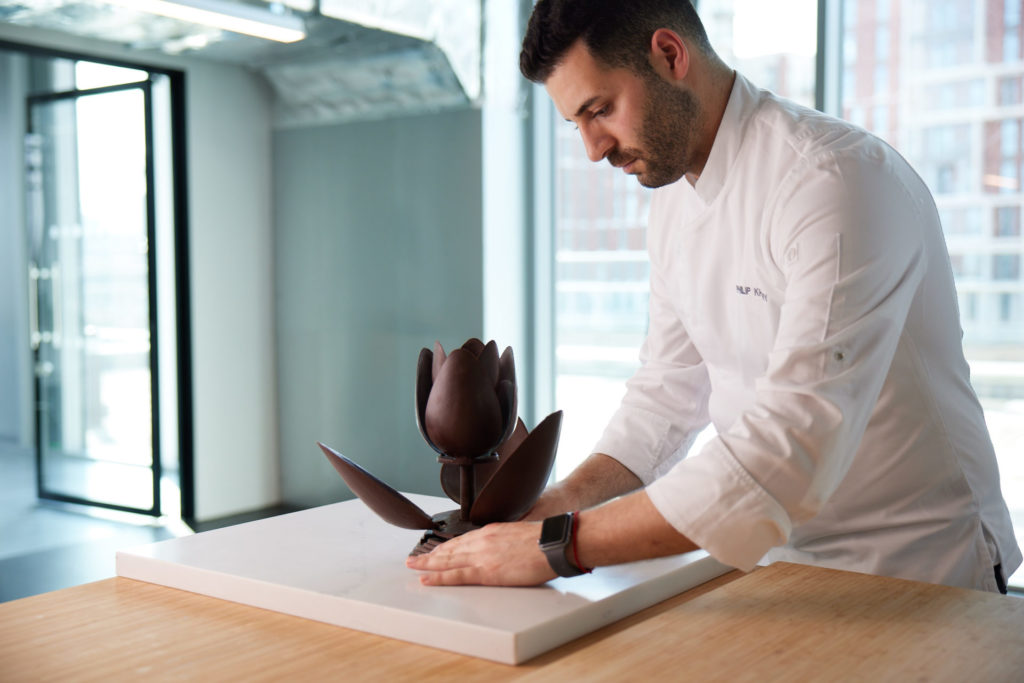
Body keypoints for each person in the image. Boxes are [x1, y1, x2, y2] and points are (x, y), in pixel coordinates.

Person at [406, 0, 1022, 593]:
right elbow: (667, 395)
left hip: (921, 570)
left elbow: (790, 448)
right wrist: (551, 506)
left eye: (601, 110)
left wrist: (557, 546)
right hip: (778, 571)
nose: (593, 149)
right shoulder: (674, 202)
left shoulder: (833, 181)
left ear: (670, 54)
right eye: (577, 124)